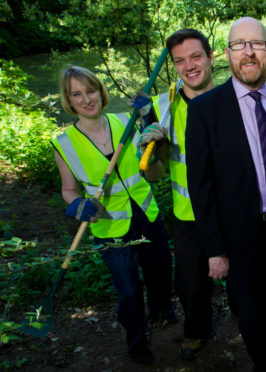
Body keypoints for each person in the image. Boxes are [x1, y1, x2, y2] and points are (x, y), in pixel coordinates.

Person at [185, 17, 266, 372]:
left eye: (257, 44)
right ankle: (264, 362)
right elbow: (200, 186)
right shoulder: (205, 110)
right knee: (251, 311)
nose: (249, 52)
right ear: (227, 54)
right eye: (240, 45)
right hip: (237, 235)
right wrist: (215, 249)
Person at [51, 66, 174, 364]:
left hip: (146, 213)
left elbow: (155, 174)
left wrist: (154, 144)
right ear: (69, 101)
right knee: (129, 291)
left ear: (101, 91)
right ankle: (136, 343)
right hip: (110, 226)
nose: (86, 99)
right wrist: (77, 205)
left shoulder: (126, 122)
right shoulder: (63, 143)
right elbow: (69, 190)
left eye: (90, 90)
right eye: (76, 94)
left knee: (160, 271)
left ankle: (162, 312)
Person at [135, 28, 216, 360]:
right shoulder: (160, 108)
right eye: (179, 61)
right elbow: (152, 175)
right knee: (191, 285)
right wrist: (152, 150)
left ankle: (254, 326)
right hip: (188, 216)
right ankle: (197, 333)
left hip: (231, 212)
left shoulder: (232, 100)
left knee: (246, 280)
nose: (189, 66)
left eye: (196, 56)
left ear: (211, 58)